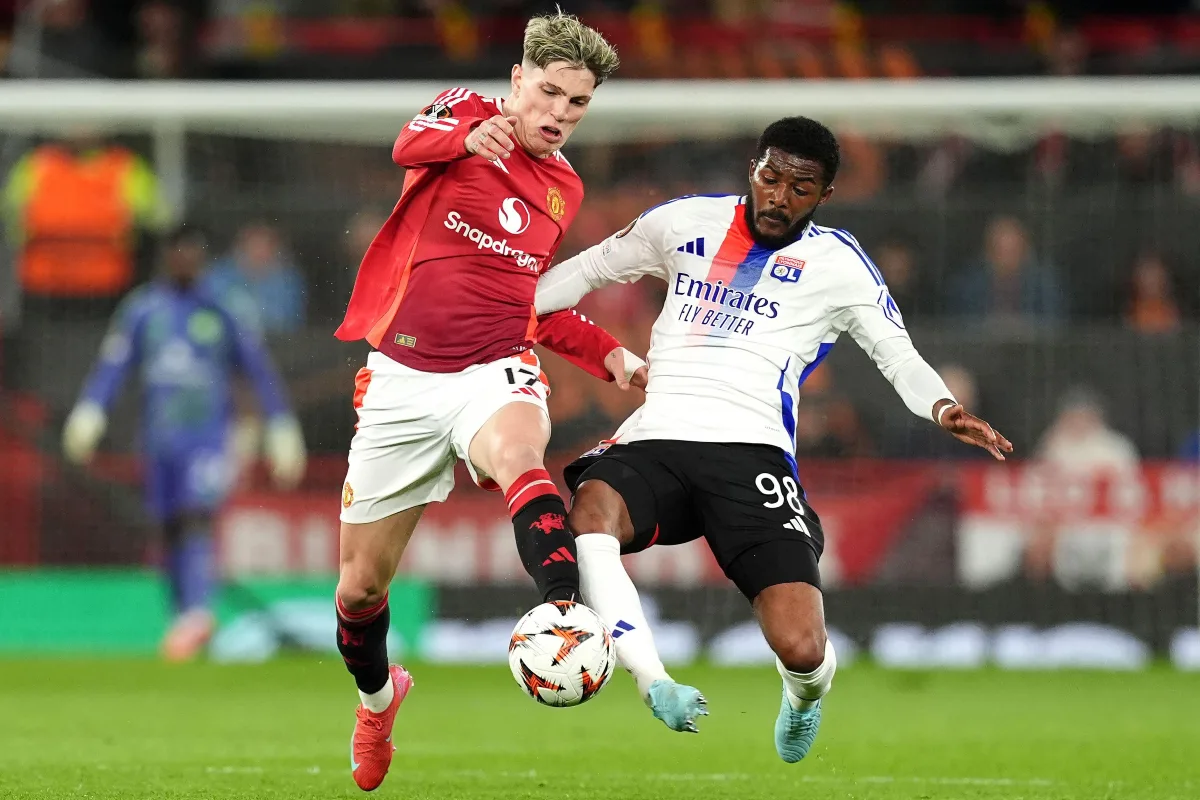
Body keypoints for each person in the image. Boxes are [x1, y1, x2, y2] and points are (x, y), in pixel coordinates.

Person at [535, 117, 1012, 761]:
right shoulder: (684, 222)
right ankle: (652, 679)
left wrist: (943, 406)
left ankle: (805, 694)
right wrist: (504, 304)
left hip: (752, 453)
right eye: (771, 177)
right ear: (753, 168)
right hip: (658, 437)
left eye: (801, 187)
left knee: (802, 646)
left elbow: (895, 353)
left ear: (824, 196)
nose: (780, 196)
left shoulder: (837, 264)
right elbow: (589, 270)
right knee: (591, 514)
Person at [331, 12, 640, 792]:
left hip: (494, 367)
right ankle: (378, 703)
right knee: (359, 590)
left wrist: (608, 354)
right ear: (517, 79)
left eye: (578, 102)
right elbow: (406, 145)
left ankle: (564, 612)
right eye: (549, 92)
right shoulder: (462, 113)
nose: (560, 113)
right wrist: (469, 139)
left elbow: (528, 300)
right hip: (402, 379)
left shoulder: (564, 188)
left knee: (518, 455)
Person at [60, 224, 306, 661]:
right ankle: (183, 620)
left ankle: (196, 613)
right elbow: (114, 365)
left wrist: (281, 425)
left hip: (208, 439)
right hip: (159, 440)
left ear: (202, 258)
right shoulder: (143, 309)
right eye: (177, 252)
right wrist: (91, 409)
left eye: (191, 253)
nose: (184, 261)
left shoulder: (224, 308)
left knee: (196, 517)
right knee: (169, 526)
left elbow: (258, 369)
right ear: (166, 257)